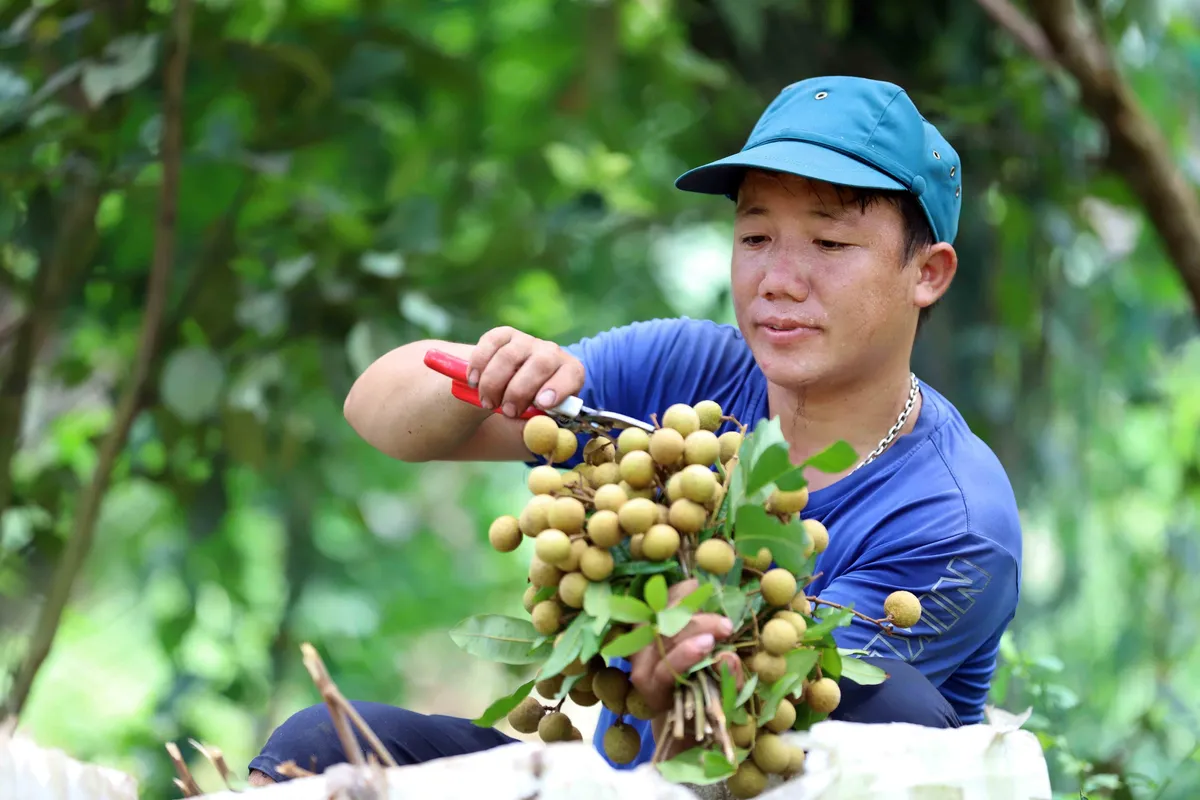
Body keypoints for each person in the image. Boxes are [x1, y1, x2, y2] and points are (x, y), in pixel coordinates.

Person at [247, 75, 1022, 785]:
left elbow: (771, 733)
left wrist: (673, 682)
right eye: (755, 238)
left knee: (879, 707)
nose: (779, 279)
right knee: (321, 745)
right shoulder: (685, 377)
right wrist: (495, 373)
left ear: (929, 273)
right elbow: (377, 407)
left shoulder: (954, 521)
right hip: (619, 784)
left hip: (764, 783)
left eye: (828, 243)